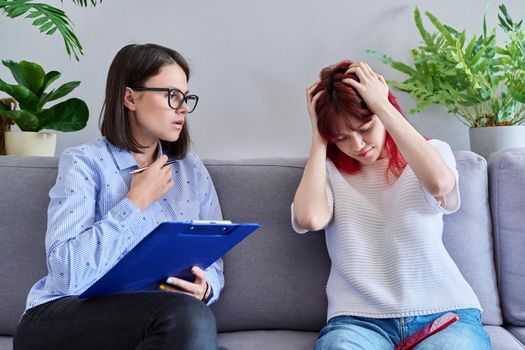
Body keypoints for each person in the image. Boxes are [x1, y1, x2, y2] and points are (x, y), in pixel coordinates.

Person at [14, 43, 224, 350]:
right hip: (60, 318)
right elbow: (66, 274)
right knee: (188, 318)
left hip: (156, 322)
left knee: (195, 324)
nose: (182, 108)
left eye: (185, 98)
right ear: (130, 97)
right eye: (171, 96)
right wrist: (134, 204)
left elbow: (213, 257)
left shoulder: (191, 170)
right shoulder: (83, 162)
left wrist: (205, 288)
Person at [292, 60, 491, 349]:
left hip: (444, 315)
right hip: (358, 322)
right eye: (342, 138)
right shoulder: (328, 172)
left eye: (365, 127)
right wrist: (319, 136)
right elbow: (311, 218)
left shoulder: (431, 152)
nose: (358, 145)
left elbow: (439, 184)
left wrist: (382, 106)